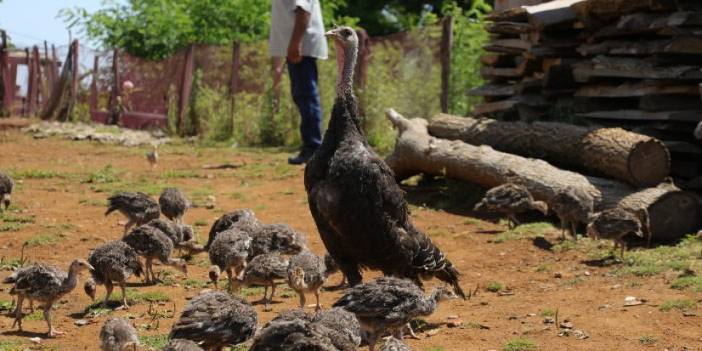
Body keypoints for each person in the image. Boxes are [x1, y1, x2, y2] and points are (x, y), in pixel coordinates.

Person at [270, 0, 328, 164]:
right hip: (297, 47)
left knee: (306, 96)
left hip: (301, 49)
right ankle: (312, 147)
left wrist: (295, 44)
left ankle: (314, 148)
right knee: (303, 96)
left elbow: (303, 12)